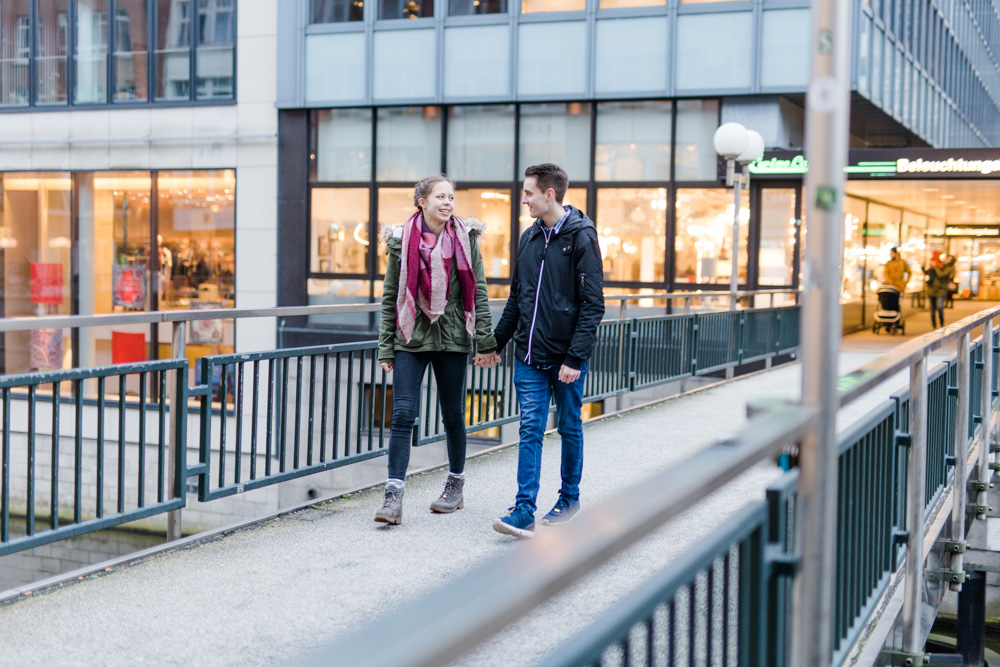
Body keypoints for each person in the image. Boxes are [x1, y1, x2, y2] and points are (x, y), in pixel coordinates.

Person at [486, 163, 605, 538]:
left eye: (528, 193)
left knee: (569, 426)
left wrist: (575, 357)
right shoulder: (529, 238)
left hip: (566, 358)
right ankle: (524, 509)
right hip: (529, 356)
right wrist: (494, 344)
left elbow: (593, 304)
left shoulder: (582, 236)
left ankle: (569, 498)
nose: (524, 200)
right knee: (530, 430)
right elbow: (518, 301)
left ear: (549, 194)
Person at [375, 175, 499, 525]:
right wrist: (386, 347)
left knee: (453, 415)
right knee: (401, 415)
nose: (447, 202)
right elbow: (390, 298)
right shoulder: (401, 241)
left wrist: (486, 341)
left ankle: (455, 485)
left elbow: (481, 292)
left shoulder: (466, 238)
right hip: (410, 337)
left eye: (451, 197)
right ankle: (393, 496)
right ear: (422, 202)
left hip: (453, 337)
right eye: (440, 197)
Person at [925, 250, 955, 328]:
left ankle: (941, 323)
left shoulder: (948, 268)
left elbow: (941, 275)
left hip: (941, 291)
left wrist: (935, 266)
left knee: (939, 307)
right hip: (932, 290)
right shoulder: (940, 264)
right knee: (932, 309)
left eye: (949, 258)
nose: (946, 259)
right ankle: (934, 325)